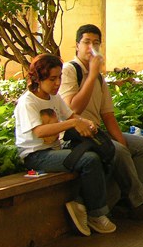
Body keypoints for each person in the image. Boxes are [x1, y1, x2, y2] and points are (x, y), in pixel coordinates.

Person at [60, 24, 143, 221]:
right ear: (77, 45)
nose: (91, 47)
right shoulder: (69, 70)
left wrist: (121, 141)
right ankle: (141, 201)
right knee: (118, 151)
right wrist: (91, 75)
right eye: (86, 42)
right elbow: (73, 109)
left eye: (96, 43)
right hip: (75, 136)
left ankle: (127, 201)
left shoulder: (99, 78)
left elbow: (108, 115)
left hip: (96, 133)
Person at [15, 54, 116, 236]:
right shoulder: (28, 102)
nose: (57, 83)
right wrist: (73, 123)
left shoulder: (53, 98)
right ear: (38, 78)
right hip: (36, 156)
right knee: (90, 160)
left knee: (104, 153)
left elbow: (71, 116)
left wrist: (86, 122)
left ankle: (80, 203)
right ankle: (96, 214)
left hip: (55, 150)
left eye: (60, 77)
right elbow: (39, 131)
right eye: (52, 79)